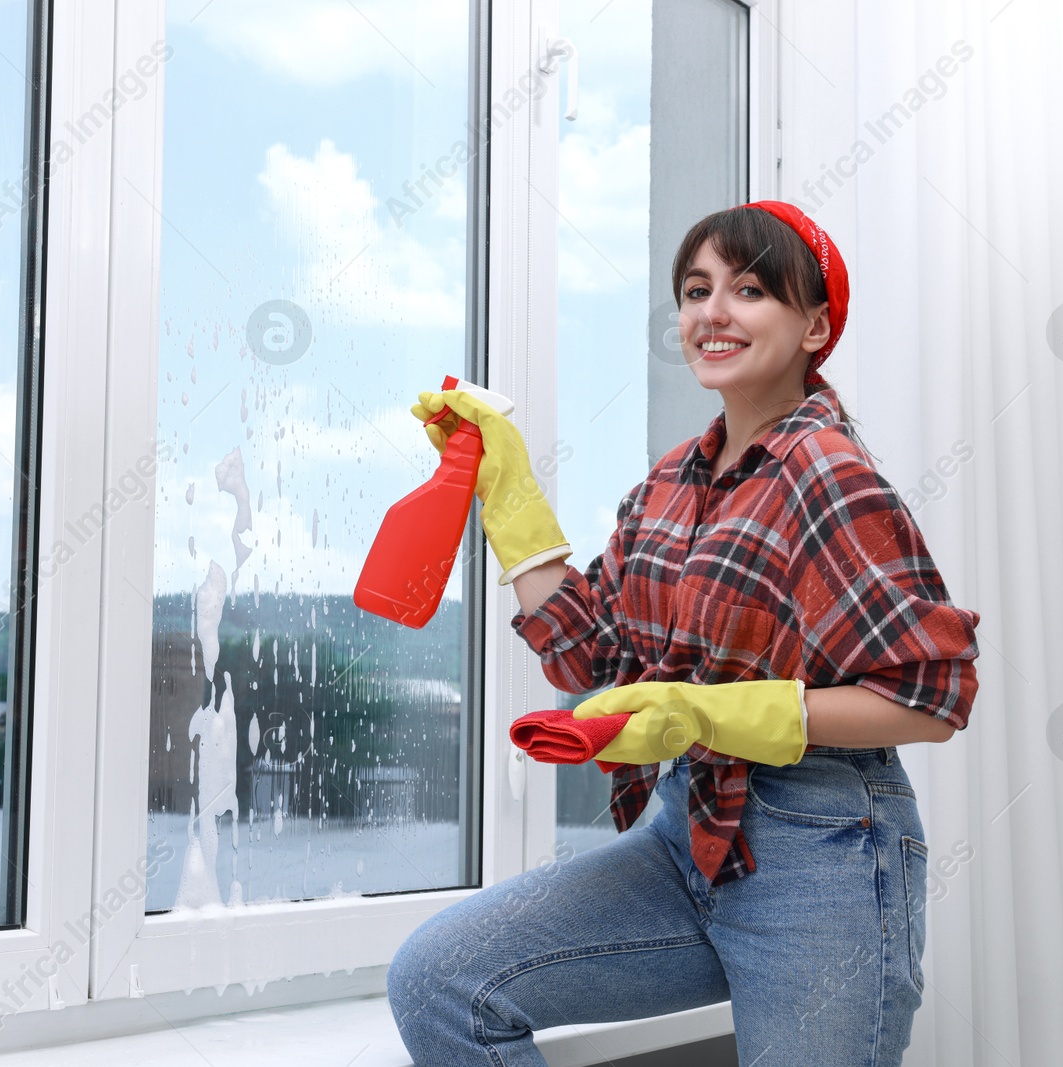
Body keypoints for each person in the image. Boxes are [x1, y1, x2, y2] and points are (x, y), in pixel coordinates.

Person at [388, 201, 982, 1066]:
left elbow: (930, 697)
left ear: (814, 325)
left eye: (748, 290)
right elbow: (589, 651)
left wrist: (711, 715)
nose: (714, 312)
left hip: (824, 852)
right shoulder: (671, 482)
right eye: (697, 290)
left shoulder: (830, 473)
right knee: (441, 980)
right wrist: (506, 484)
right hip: (688, 835)